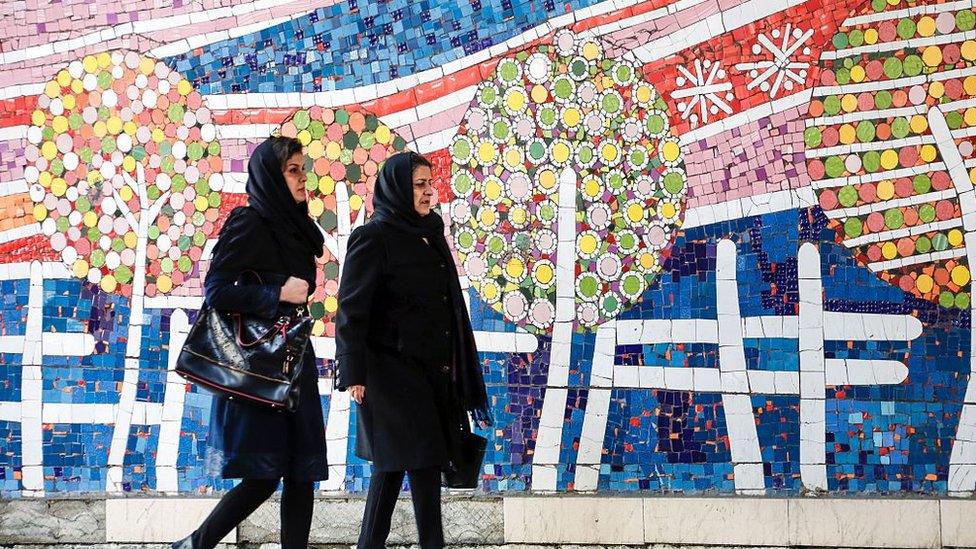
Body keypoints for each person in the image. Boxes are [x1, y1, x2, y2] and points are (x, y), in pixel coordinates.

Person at [173, 136, 328, 549]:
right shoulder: (250, 221)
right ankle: (195, 544)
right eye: (292, 171)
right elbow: (216, 290)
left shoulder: (296, 226)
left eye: (302, 170)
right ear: (271, 176)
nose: (302, 179)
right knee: (262, 476)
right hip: (261, 365)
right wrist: (276, 293)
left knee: (303, 472)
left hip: (295, 360)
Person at [335, 151, 492, 549]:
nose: (427, 192)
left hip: (429, 371)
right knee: (416, 463)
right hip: (387, 374)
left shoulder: (430, 233)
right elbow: (351, 310)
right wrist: (352, 373)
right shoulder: (373, 237)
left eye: (428, 183)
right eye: (418, 185)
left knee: (396, 469)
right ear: (398, 189)